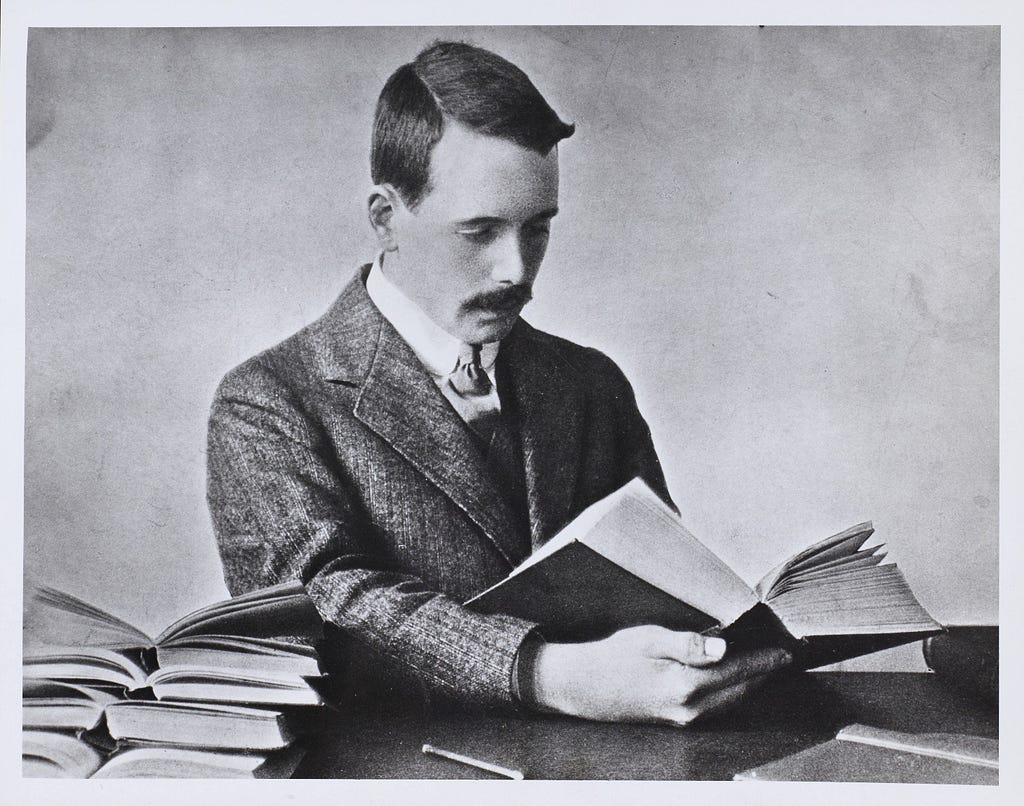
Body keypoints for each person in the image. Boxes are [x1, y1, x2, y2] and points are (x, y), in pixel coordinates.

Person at [206, 40, 790, 725]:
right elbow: (325, 614)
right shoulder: (268, 403)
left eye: (537, 229)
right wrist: (549, 674)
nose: (516, 270)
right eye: (479, 231)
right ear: (387, 218)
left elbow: (664, 588)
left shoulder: (590, 384)